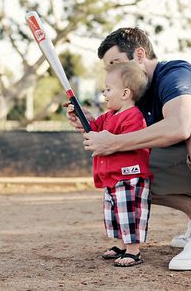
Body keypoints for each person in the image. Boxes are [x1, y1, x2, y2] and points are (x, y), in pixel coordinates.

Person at [67, 27, 191, 270]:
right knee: (126, 171)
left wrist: (112, 142)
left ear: (140, 55)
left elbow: (180, 127)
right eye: (108, 67)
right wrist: (90, 123)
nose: (112, 72)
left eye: (116, 63)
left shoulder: (176, 75)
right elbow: (124, 136)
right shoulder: (136, 97)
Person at [68, 61, 153, 267]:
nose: (104, 93)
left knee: (128, 212)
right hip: (112, 177)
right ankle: (121, 245)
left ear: (125, 93)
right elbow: (92, 129)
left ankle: (133, 251)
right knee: (114, 214)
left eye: (108, 89)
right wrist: (80, 116)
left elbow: (130, 140)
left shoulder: (134, 116)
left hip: (129, 176)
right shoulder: (108, 116)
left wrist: (109, 140)